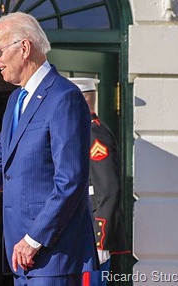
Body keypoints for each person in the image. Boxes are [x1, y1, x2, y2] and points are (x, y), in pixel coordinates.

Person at [0, 12, 98, 286]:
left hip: (53, 255)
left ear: (24, 48)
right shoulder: (17, 99)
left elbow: (71, 180)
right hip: (22, 255)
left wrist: (34, 238)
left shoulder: (64, 97)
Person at [68, 78, 129, 286]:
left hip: (90, 239)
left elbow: (108, 188)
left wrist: (100, 240)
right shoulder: (80, 130)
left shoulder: (94, 133)